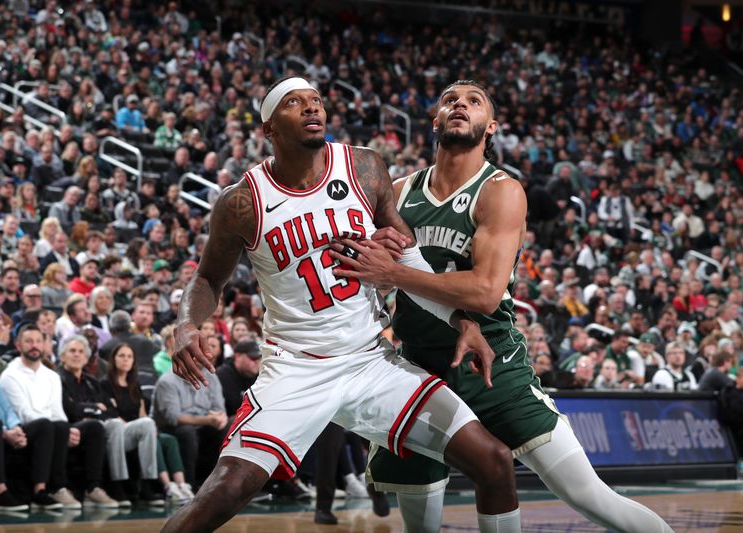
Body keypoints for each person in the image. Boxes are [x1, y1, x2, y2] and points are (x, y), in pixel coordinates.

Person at [162, 77, 520, 533]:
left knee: (494, 461)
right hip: (297, 368)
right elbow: (207, 278)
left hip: (371, 361)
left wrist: (460, 319)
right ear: (269, 128)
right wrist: (187, 326)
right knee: (225, 492)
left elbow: (406, 255)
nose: (312, 109)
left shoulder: (365, 168)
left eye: (316, 101)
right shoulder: (242, 202)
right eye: (295, 103)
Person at [333, 80, 672, 533]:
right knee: (422, 520)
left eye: (474, 103)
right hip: (415, 367)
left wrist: (392, 274)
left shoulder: (500, 191)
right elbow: (368, 271)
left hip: (491, 362)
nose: (460, 106)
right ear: (435, 120)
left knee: (589, 495)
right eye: (450, 100)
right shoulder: (398, 192)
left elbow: (486, 292)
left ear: (490, 126)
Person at [0, 333, 61, 510]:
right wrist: (5, 432)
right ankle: (0, 492)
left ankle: (39, 490)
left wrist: (16, 429)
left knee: (44, 424)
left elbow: (8, 410)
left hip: (2, 432)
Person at [0, 324, 83, 509]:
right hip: (24, 428)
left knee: (65, 426)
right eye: (29, 341)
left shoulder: (52, 376)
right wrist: (54, 424)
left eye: (38, 341)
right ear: (18, 345)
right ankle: (39, 490)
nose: (34, 345)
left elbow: (57, 411)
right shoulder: (10, 375)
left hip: (47, 426)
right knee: (47, 424)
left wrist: (68, 429)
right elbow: (24, 413)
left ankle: (60, 488)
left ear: (45, 344)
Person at [54, 336, 120, 508]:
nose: (77, 355)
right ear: (62, 356)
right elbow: (69, 409)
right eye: (72, 351)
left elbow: (110, 410)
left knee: (111, 426)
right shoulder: (56, 379)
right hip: (67, 427)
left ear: (86, 358)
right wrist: (94, 408)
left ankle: (119, 486)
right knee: (95, 426)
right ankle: (93, 487)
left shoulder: (92, 381)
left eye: (81, 352)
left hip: (93, 427)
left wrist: (89, 410)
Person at [100, 343, 166, 506]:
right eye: (121, 356)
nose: (126, 360)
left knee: (149, 423)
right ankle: (118, 485)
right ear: (113, 359)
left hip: (131, 431)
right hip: (113, 430)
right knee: (116, 424)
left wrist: (147, 426)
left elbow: (142, 414)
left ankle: (147, 484)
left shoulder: (134, 385)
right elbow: (110, 412)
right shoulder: (104, 383)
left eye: (129, 356)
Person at [215, 339, 261, 414]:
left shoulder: (259, 375)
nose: (257, 361)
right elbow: (233, 408)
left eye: (259, 358)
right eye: (253, 358)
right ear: (237, 356)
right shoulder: (223, 375)